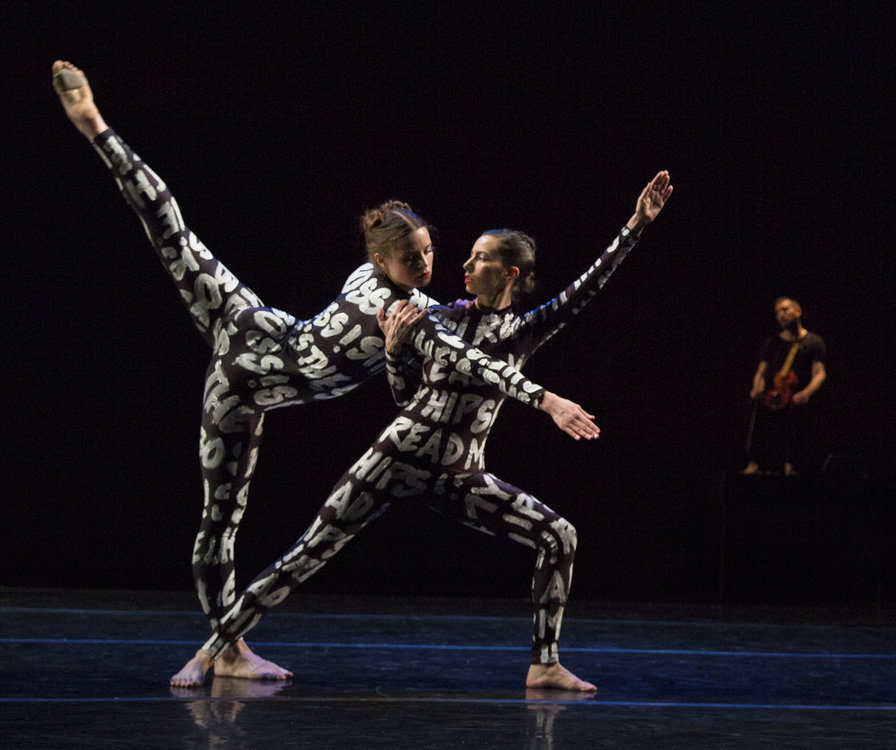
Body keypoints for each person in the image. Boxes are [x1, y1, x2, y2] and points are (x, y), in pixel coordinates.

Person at [52, 60, 601, 687]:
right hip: (248, 354)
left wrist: (408, 357)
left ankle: (228, 651)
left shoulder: (390, 290)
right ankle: (95, 126)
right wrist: (547, 399)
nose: (426, 264)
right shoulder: (399, 302)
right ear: (380, 258)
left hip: (256, 355)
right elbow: (468, 359)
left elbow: (451, 365)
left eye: (428, 252)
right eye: (411, 256)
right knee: (173, 237)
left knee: (226, 519)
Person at [195, 171, 673, 692]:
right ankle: (212, 651)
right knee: (308, 553)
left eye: (481, 258)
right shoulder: (438, 317)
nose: (464, 265)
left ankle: (545, 663)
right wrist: (397, 353)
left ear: (509, 273)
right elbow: (404, 397)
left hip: (459, 474)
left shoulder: (522, 332)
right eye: (468, 255)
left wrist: (635, 225)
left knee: (559, 536)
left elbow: (586, 290)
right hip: (396, 459)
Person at [743, 296, 827, 476]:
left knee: (795, 410)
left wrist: (806, 392)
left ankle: (791, 463)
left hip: (797, 396)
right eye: (778, 312)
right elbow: (761, 372)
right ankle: (754, 461)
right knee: (757, 405)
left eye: (785, 309)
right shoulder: (772, 342)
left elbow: (819, 373)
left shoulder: (813, 341)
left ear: (798, 311)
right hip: (775, 395)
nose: (781, 314)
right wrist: (757, 387)